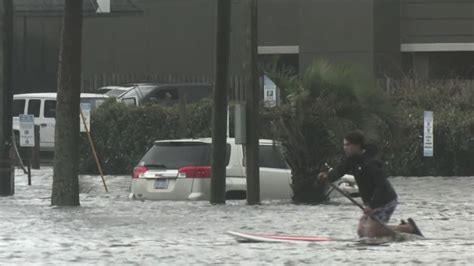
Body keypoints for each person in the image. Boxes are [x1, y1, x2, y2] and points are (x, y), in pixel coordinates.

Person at [318, 130, 423, 238]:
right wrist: (327, 176)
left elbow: (381, 186)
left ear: (357, 145)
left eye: (348, 145)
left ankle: (407, 229)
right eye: (344, 145)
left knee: (372, 233)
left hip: (386, 200)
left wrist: (372, 205)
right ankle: (403, 228)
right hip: (372, 203)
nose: (345, 147)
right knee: (361, 231)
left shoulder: (371, 163)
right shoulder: (352, 160)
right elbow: (340, 170)